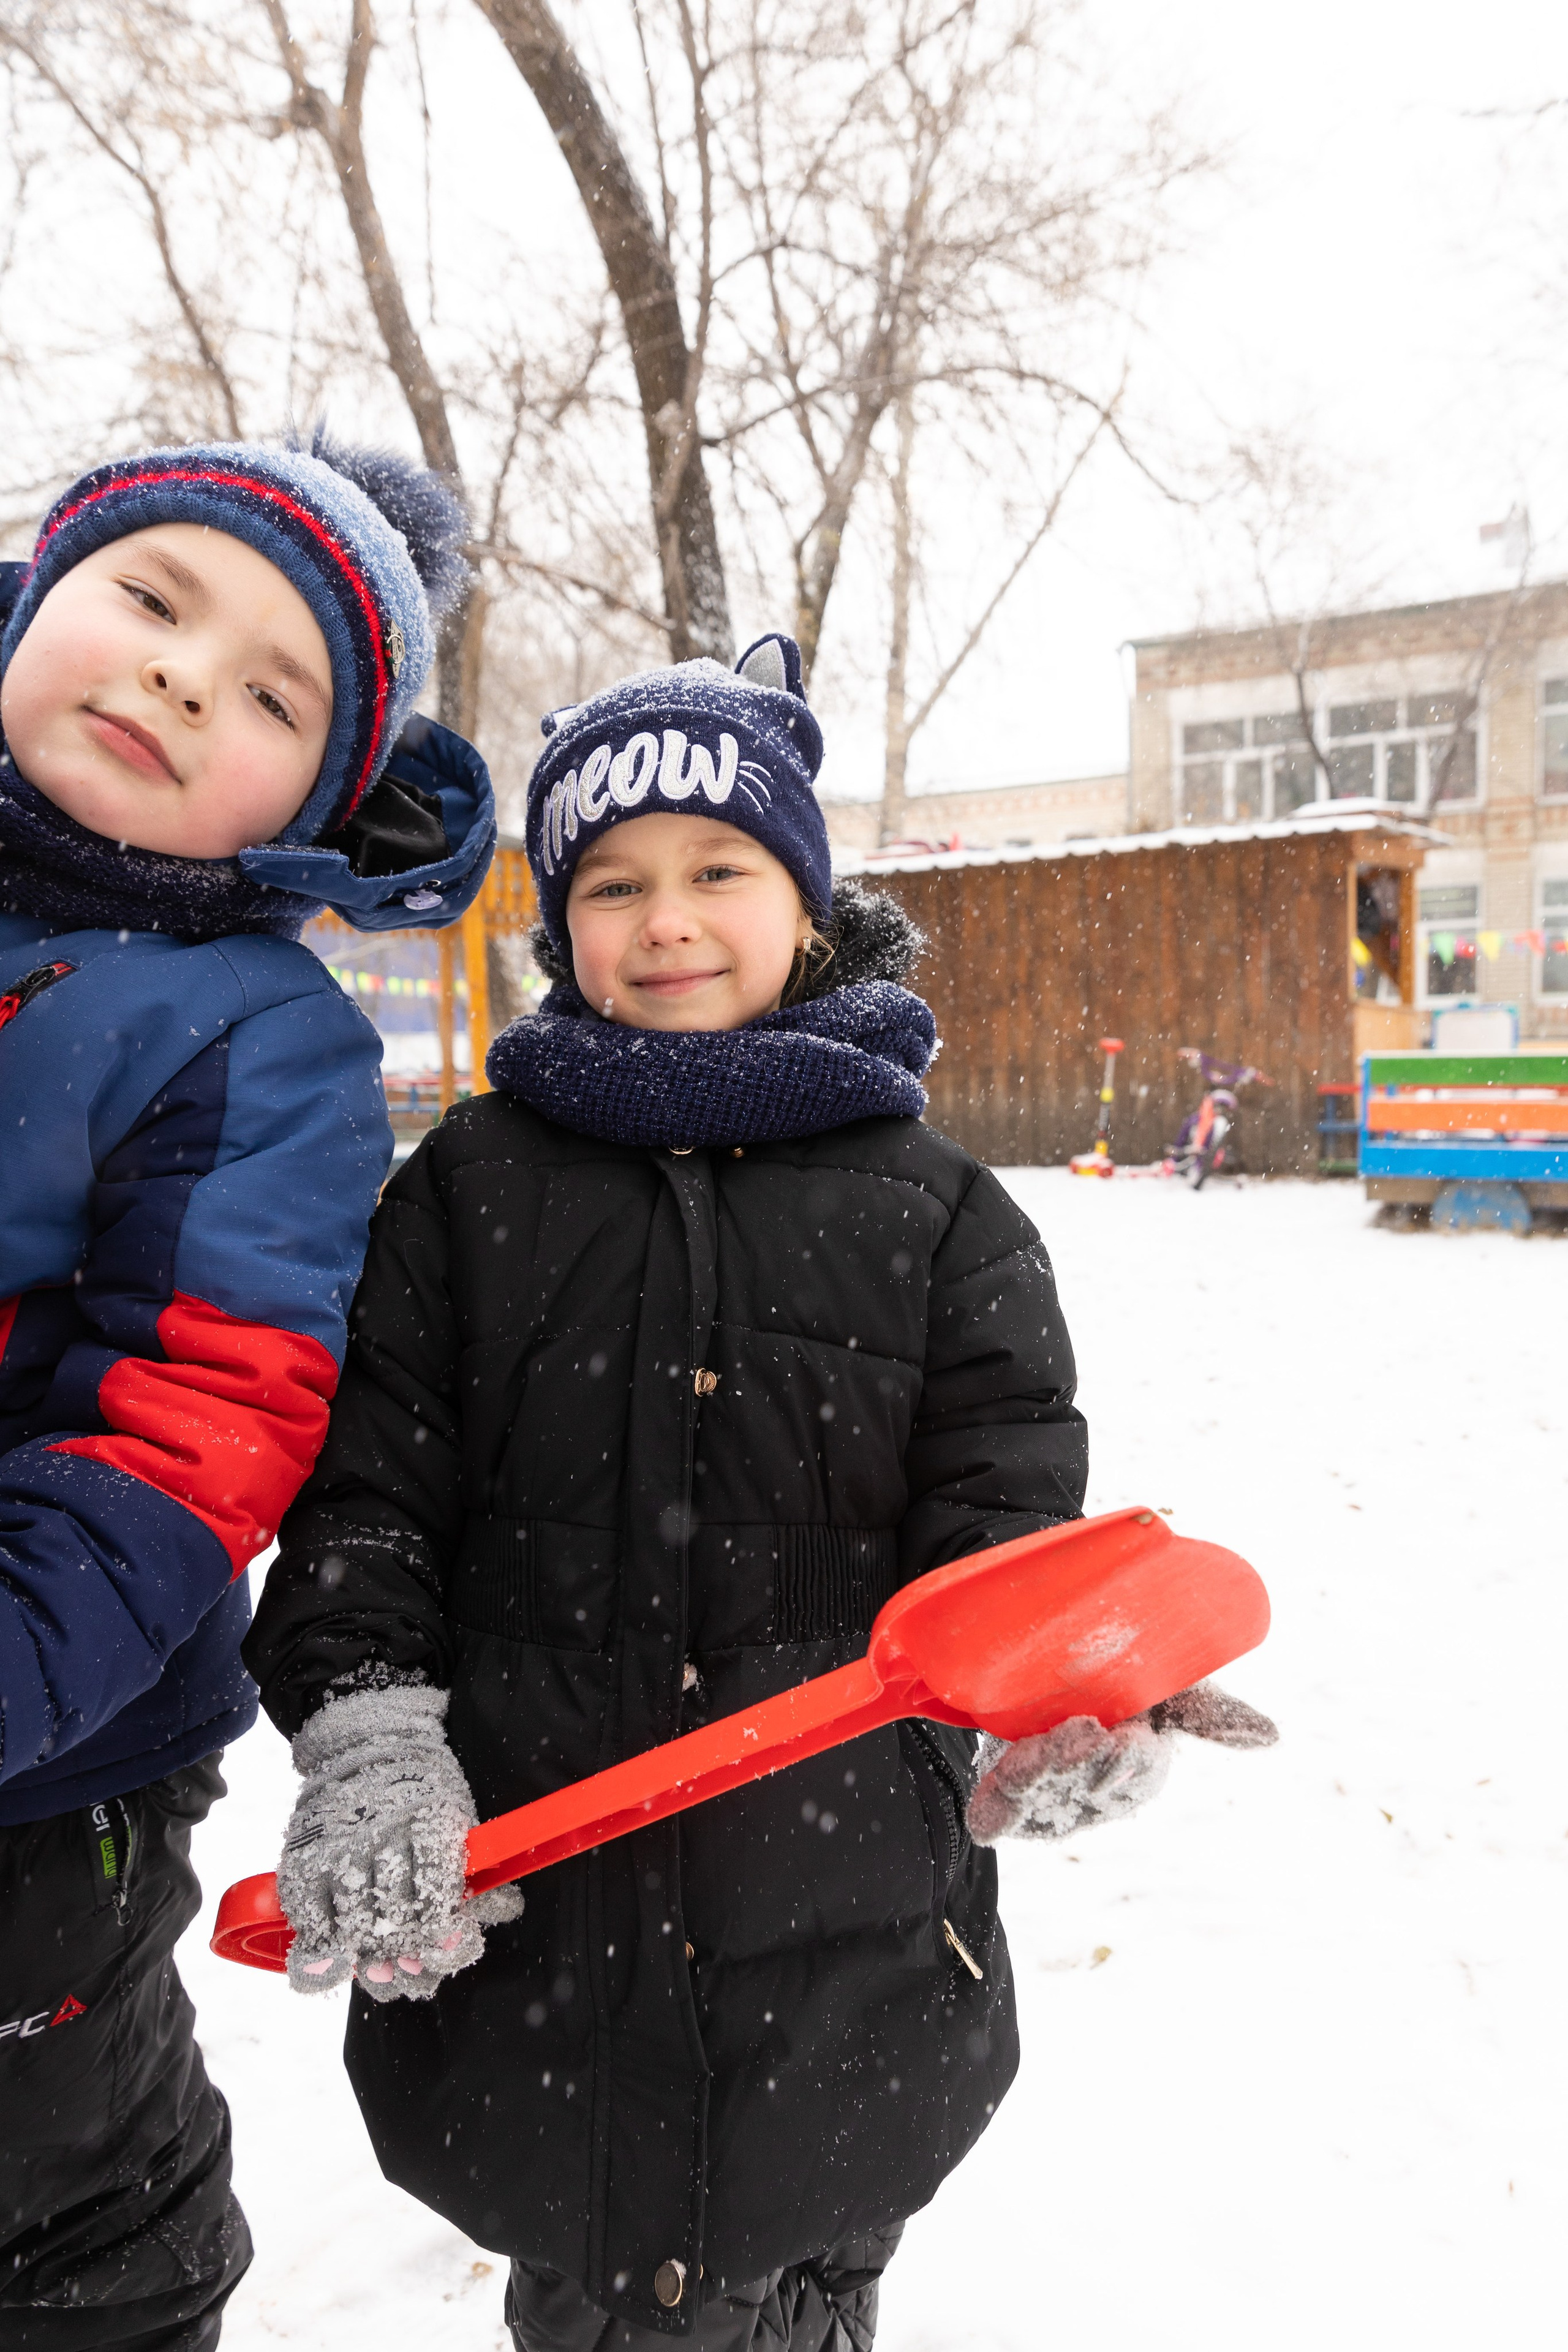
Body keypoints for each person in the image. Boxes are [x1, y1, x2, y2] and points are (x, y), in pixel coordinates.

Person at [244, 635, 1273, 2352]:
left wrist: (1070, 1698)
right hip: (548, 1955)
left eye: (720, 868)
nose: (666, 920)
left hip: (852, 1957)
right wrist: (371, 1736)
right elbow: (368, 1509)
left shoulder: (942, 1217)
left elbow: (1006, 1534)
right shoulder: (465, 1196)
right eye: (613, 883)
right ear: (560, 923)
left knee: (806, 2287)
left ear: (806, 902)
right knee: (607, 2290)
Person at [0, 429, 495, 2350]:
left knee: (54, 2204)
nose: (186, 675)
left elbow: (200, 1417)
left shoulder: (252, 1038)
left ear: (318, 801)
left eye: (275, 695)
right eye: (151, 596)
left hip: (44, 1758)